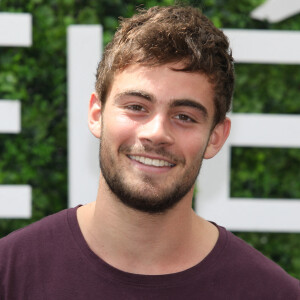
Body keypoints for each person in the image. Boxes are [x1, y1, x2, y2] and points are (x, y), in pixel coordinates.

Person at [0, 5, 299, 300]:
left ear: (215, 137)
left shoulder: (273, 293)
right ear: (96, 114)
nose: (156, 133)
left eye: (184, 116)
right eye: (136, 107)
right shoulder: (9, 273)